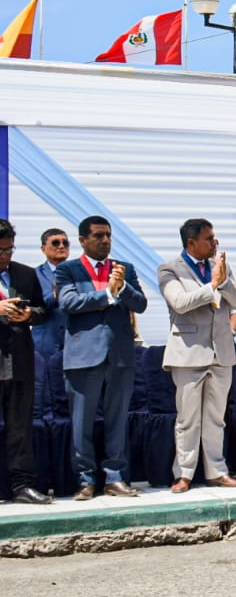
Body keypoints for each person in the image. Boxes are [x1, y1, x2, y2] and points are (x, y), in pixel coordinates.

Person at [56, 215, 148, 500]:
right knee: (81, 423)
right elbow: (69, 303)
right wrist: (107, 293)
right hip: (83, 357)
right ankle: (85, 480)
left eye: (107, 235)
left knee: (117, 420)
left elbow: (141, 304)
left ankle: (115, 477)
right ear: (83, 240)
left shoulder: (124, 269)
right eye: (98, 236)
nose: (104, 240)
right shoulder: (69, 270)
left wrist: (122, 287)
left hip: (120, 356)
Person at [159, 218, 236, 493]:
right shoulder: (169, 269)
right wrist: (211, 286)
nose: (214, 243)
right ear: (191, 242)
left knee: (216, 417)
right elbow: (180, 303)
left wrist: (222, 284)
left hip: (220, 351)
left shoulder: (220, 267)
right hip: (188, 353)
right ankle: (184, 474)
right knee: (187, 418)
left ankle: (217, 471)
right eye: (209, 239)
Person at [0, 219, 52, 504]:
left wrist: (29, 315)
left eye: (9, 250)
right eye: (0, 251)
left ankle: (22, 487)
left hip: (19, 360)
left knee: (20, 428)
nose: (5, 256)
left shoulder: (24, 273)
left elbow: (43, 309)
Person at [32, 227, 69, 358]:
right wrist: (54, 295)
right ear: (43, 249)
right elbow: (33, 306)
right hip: (45, 344)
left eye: (65, 243)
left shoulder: (79, 273)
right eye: (55, 243)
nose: (61, 246)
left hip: (74, 346)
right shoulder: (34, 275)